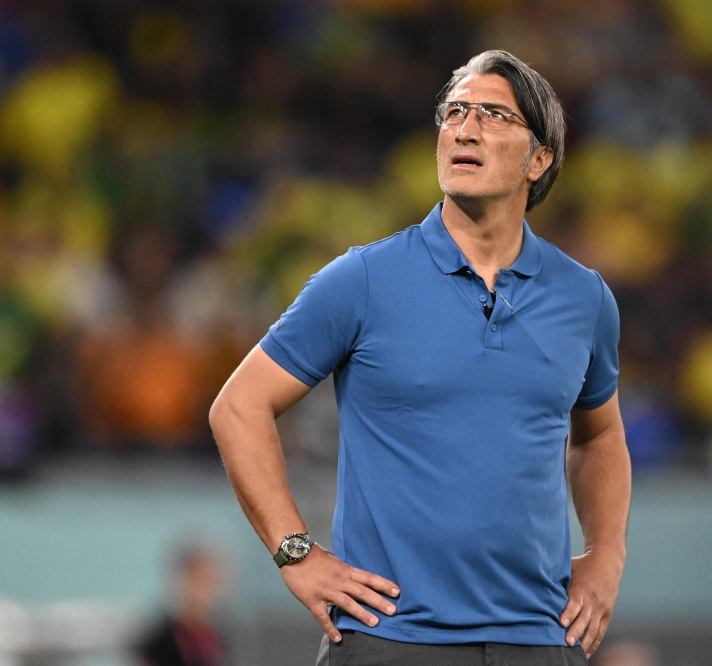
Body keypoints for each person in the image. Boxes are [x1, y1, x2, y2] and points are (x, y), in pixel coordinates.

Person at [210, 50, 631, 665]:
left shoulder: (584, 298)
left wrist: (607, 555)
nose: (465, 129)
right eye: (454, 111)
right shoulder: (362, 279)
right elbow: (238, 407)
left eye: (493, 115)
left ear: (539, 159)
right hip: (389, 640)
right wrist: (295, 552)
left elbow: (599, 436)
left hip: (539, 642)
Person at [136, 543, 227, 666]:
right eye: (196, 579)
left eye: (208, 581)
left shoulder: (221, 638)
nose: (202, 590)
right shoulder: (159, 641)